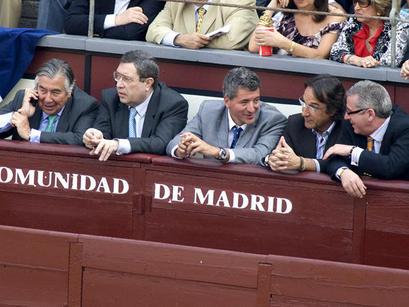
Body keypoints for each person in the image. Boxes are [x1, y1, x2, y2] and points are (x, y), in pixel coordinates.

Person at [166, 67, 287, 165]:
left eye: (256, 100)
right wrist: (180, 149)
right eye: (244, 102)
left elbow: (259, 154)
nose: (252, 108)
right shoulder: (208, 110)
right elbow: (175, 142)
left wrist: (218, 152)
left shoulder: (273, 120)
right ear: (227, 101)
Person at [83, 50, 188, 161]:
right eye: (117, 76)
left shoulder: (173, 104)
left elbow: (161, 143)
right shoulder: (110, 98)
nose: (119, 85)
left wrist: (119, 144)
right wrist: (95, 137)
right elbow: (103, 132)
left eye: (126, 79)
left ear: (148, 83)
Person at [323, 80, 409, 198]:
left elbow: (391, 167)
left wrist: (353, 151)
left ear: (370, 114)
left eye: (349, 112)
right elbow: (332, 157)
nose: (346, 117)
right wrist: (343, 172)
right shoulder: (351, 124)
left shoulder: (405, 128)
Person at [0, 58, 98, 145]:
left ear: (69, 91)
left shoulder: (86, 105)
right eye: (42, 90)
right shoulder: (25, 99)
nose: (47, 99)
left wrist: (30, 134)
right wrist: (19, 114)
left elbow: (80, 139)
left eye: (55, 92)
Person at [266, 74, 345, 173]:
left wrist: (303, 163)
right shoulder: (295, 123)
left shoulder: (347, 129)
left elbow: (341, 164)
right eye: (303, 103)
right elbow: (279, 156)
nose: (304, 113)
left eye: (313, 107)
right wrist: (272, 159)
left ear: (333, 110)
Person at [145, 0, 258, 50]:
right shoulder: (176, 2)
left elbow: (233, 39)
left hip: (229, 75)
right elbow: (153, 30)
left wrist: (195, 42)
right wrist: (179, 39)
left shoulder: (239, 1)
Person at [248, 0, 345, 58]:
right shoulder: (285, 15)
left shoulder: (335, 16)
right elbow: (253, 47)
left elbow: (319, 55)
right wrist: (271, 7)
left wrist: (283, 43)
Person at [330, 0, 408, 67]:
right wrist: (356, 60)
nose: (356, 8)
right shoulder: (355, 21)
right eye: (355, 2)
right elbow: (335, 51)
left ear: (379, 9)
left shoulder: (397, 25)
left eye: (362, 3)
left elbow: (389, 62)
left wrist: (362, 62)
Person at [65, 0, 164, 40]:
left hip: (133, 60)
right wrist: (115, 20)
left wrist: (90, 31)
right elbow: (71, 23)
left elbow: (130, 34)